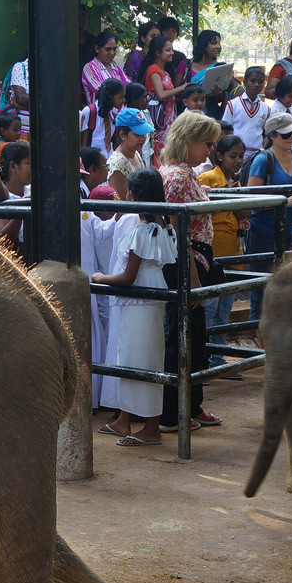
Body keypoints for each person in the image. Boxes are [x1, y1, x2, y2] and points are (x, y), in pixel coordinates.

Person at [92, 167, 175, 447]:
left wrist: (100, 277)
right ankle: (125, 418)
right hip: (147, 295)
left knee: (142, 360)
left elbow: (128, 277)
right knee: (135, 356)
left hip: (140, 297)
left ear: (133, 195)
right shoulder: (164, 225)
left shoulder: (142, 230)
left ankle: (151, 428)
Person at [158, 111, 224, 433]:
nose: (209, 150)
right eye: (207, 143)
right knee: (184, 337)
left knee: (193, 337)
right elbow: (176, 230)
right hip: (189, 263)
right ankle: (174, 412)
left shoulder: (181, 173)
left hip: (196, 259)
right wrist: (193, 277)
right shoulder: (179, 176)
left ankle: (190, 405)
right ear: (190, 141)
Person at [244, 112, 292, 320]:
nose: (290, 137)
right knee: (261, 288)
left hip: (289, 229)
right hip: (263, 231)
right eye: (285, 135)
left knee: (291, 283)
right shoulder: (263, 160)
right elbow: (251, 198)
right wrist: (283, 202)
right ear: (272, 136)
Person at [199, 134, 245, 370]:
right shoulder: (208, 179)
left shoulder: (236, 182)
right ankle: (205, 359)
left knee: (224, 311)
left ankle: (217, 358)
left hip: (233, 252)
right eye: (232, 156)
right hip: (215, 253)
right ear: (219, 156)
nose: (238, 161)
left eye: (240, 156)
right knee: (210, 311)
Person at [143, 35, 183, 151]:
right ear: (157, 53)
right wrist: (181, 88)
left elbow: (169, 96)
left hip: (169, 117)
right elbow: (161, 95)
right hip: (160, 118)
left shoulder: (164, 72)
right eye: (168, 50)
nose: (172, 53)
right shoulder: (154, 69)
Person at [223, 66, 267, 163]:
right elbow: (226, 130)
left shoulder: (266, 108)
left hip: (257, 155)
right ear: (244, 82)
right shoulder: (233, 104)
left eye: (260, 82)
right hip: (236, 154)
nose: (256, 85)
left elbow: (265, 132)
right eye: (253, 81)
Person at [105, 106, 151, 200]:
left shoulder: (135, 152)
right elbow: (122, 205)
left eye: (144, 134)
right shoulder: (118, 163)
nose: (142, 138)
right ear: (122, 135)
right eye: (137, 134)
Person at [81, 30, 128, 107]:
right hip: (99, 116)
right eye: (108, 49)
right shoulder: (89, 68)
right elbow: (101, 91)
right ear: (97, 49)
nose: (112, 53)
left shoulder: (116, 68)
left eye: (114, 49)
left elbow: (128, 86)